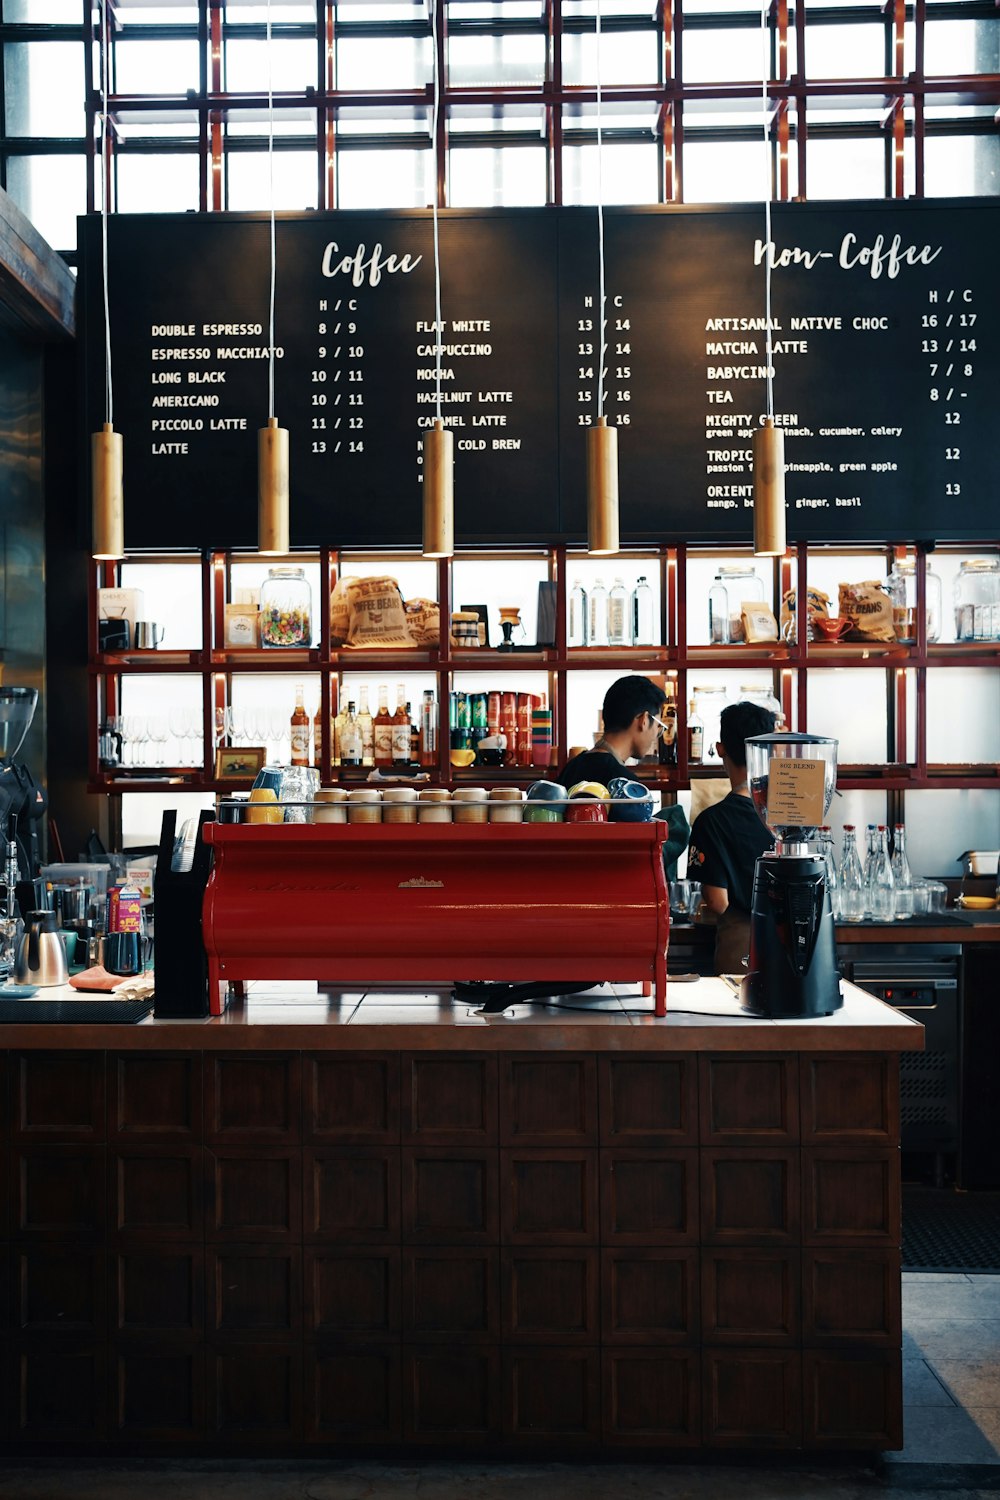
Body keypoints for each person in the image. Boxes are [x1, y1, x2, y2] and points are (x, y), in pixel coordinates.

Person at [557, 675, 690, 879]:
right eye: (658, 726)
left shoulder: (571, 768)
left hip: (564, 884)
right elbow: (633, 865)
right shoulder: (626, 787)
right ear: (644, 720)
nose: (657, 734)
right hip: (608, 894)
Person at [687, 699, 776, 975]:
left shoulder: (711, 821)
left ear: (719, 748)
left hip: (742, 950)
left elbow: (717, 901)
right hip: (794, 948)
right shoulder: (789, 817)